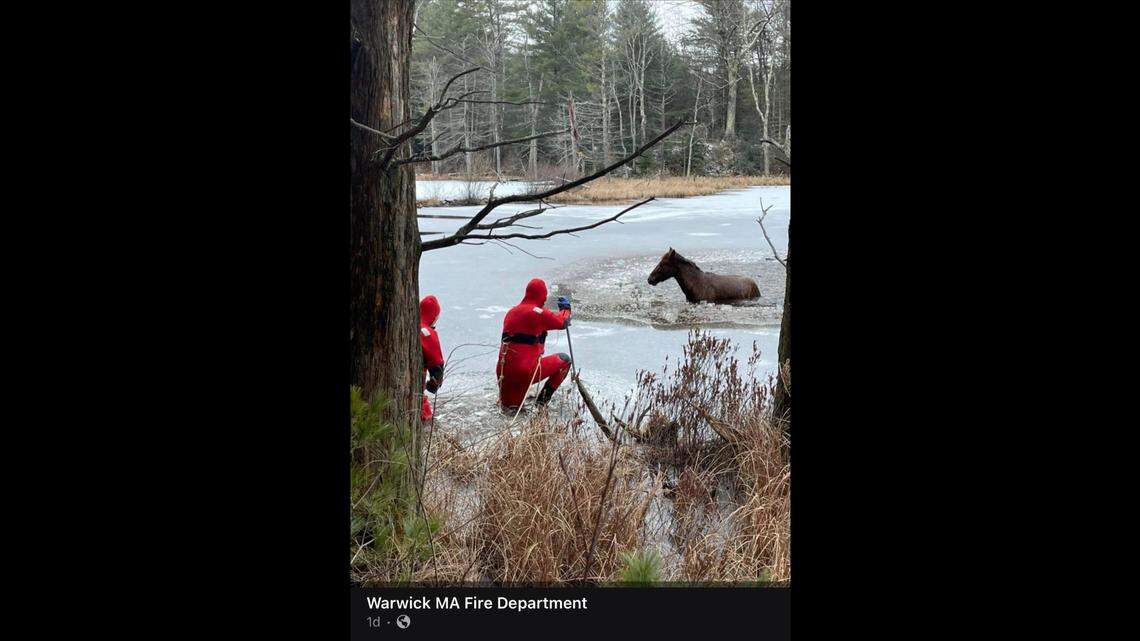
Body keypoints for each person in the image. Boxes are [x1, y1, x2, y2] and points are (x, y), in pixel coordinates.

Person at [496, 278, 573, 411]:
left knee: (509, 409)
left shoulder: (512, 312)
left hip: (503, 371)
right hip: (526, 371)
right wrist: (566, 309)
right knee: (565, 360)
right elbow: (563, 322)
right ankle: (541, 404)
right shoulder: (539, 313)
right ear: (542, 295)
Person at [419, 295, 445, 422]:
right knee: (426, 417)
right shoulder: (427, 333)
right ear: (434, 317)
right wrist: (433, 386)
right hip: (416, 394)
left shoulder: (408, 325)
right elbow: (437, 369)